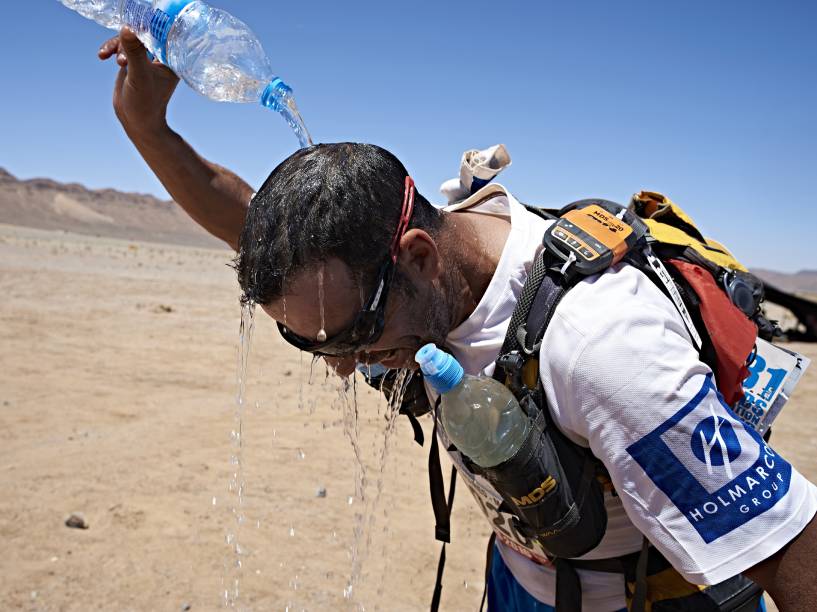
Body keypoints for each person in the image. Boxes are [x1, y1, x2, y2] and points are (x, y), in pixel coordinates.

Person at [98, 27, 817, 611]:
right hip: (518, 578)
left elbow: (789, 544)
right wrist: (146, 127)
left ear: (416, 255)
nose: (346, 365)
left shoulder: (600, 346)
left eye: (353, 338)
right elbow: (246, 222)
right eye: (311, 344)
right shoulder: (387, 276)